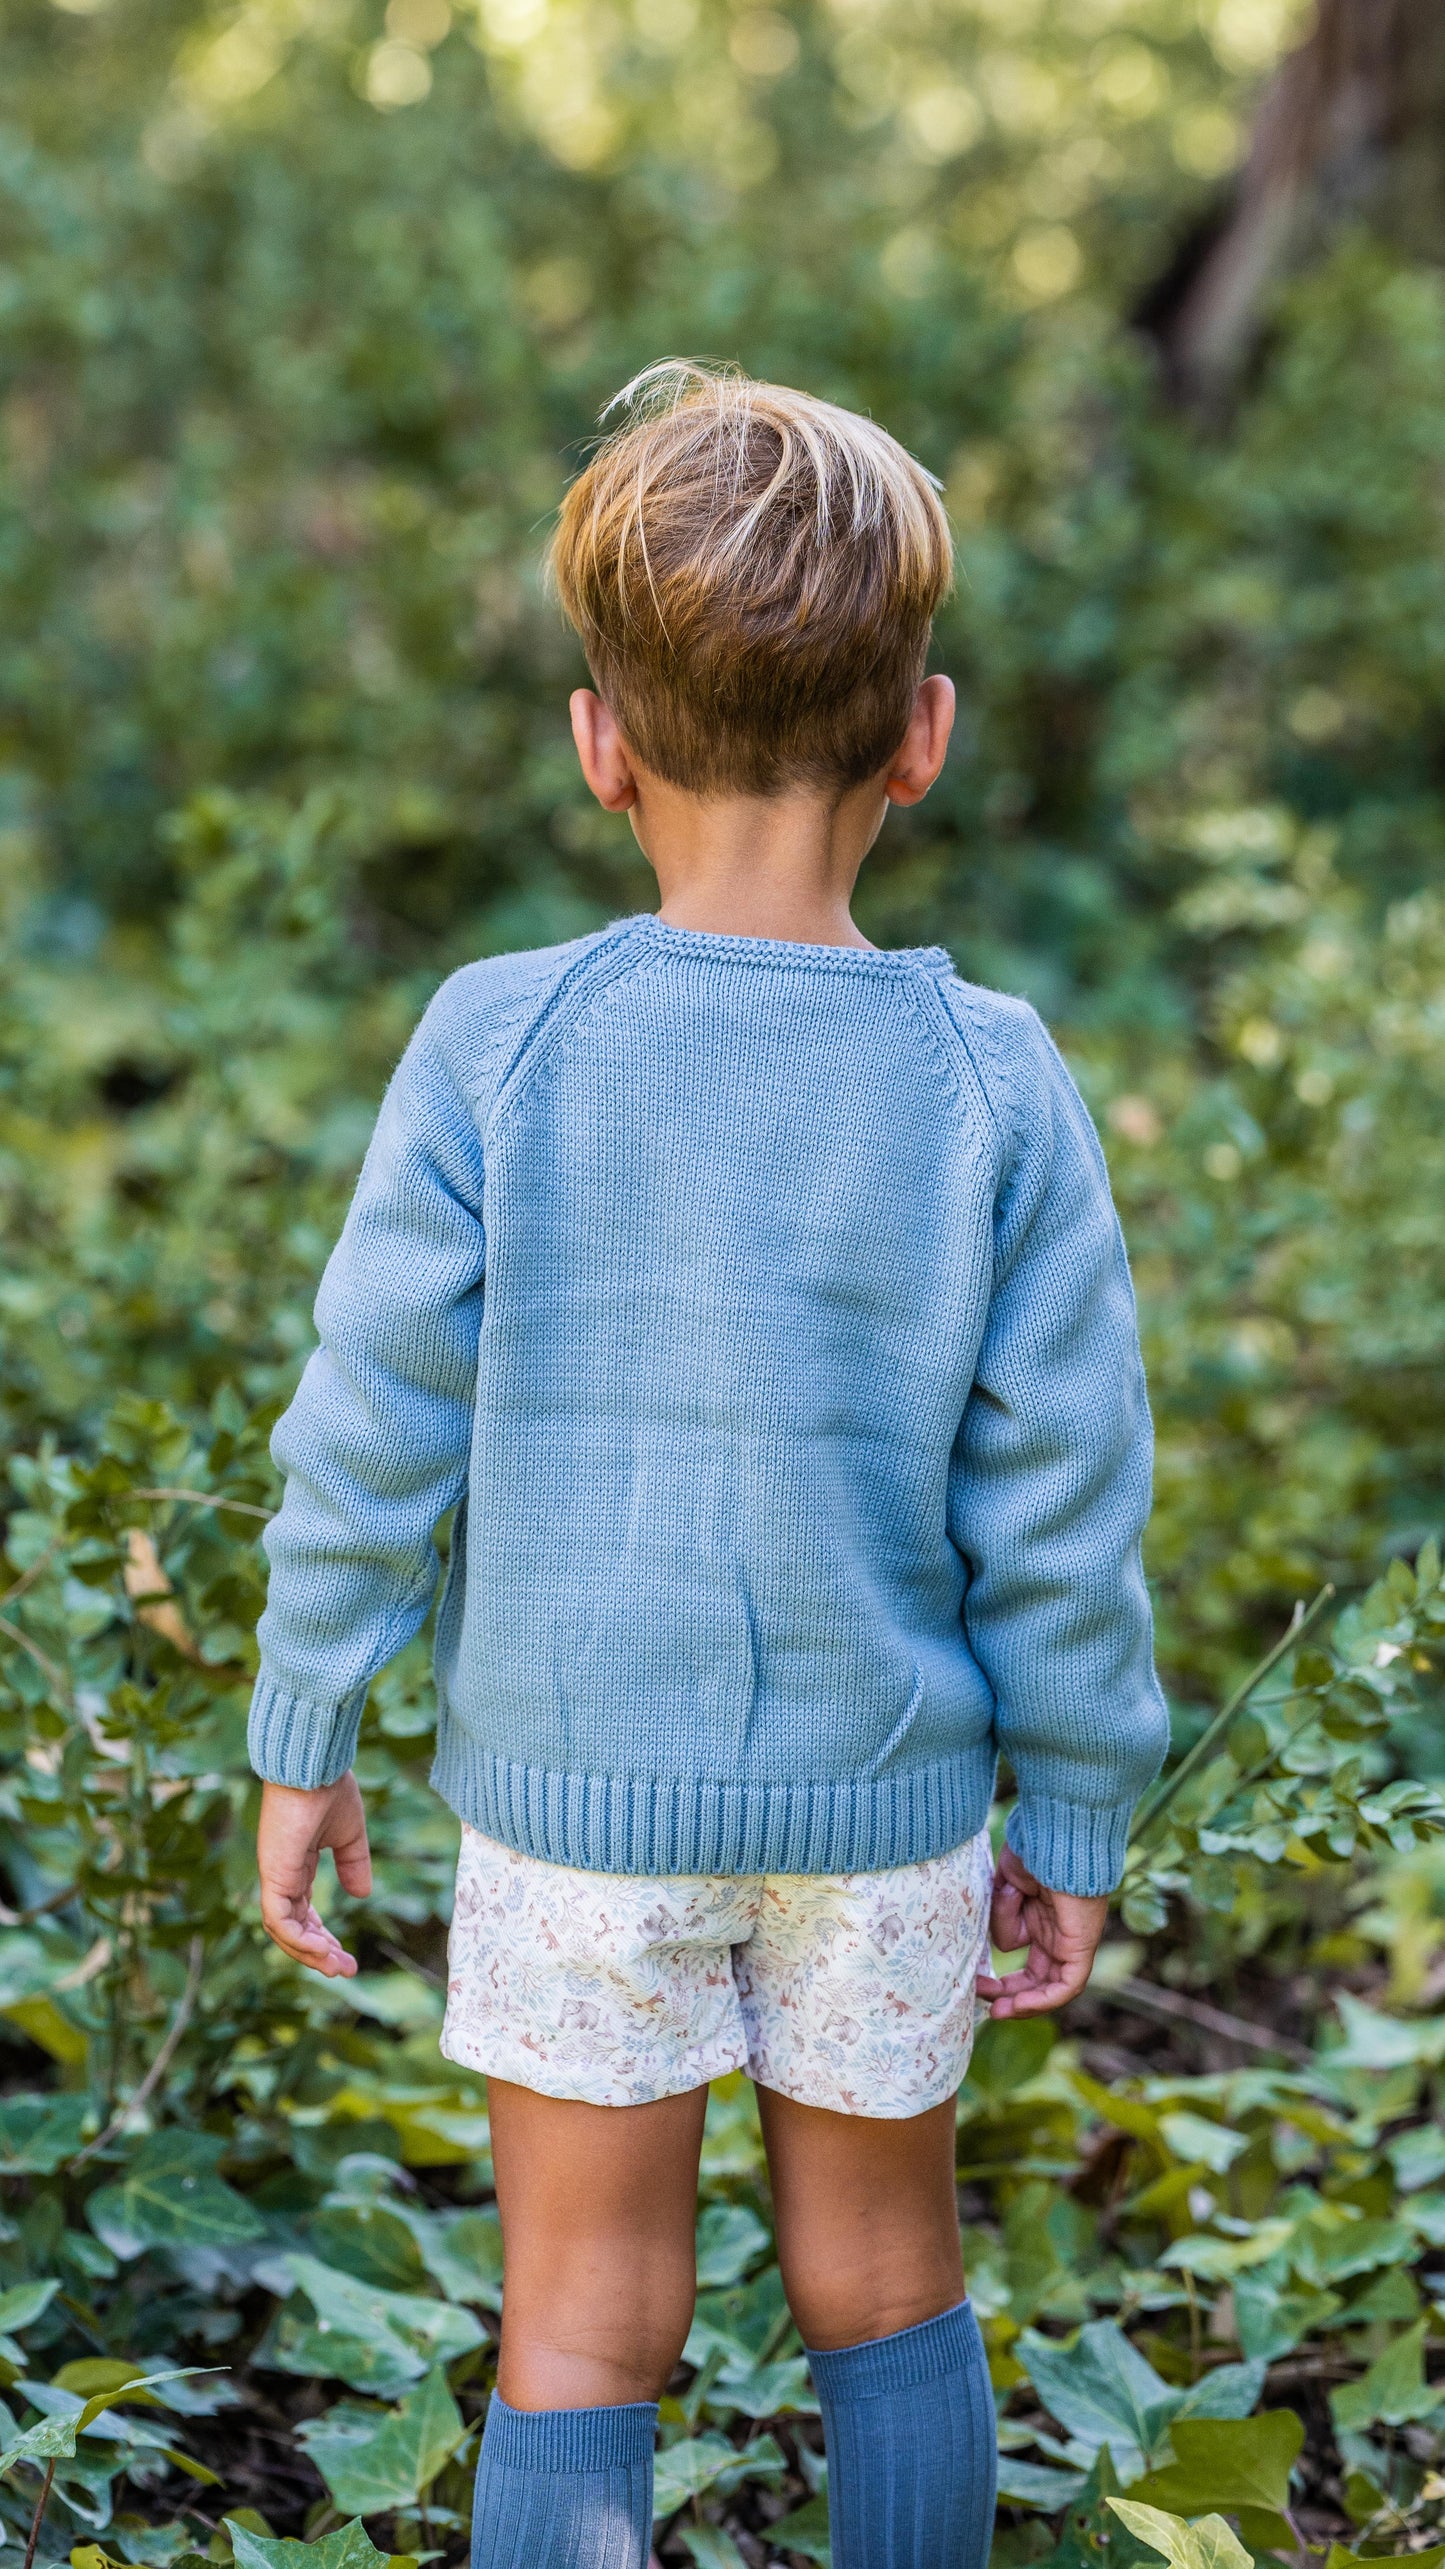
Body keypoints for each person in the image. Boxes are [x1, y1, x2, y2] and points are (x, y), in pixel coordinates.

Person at [249, 362, 1170, 2569]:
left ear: (599, 744)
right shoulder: (991, 1078)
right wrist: (1072, 1802)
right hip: (887, 1809)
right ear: (921, 738)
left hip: (572, 1813)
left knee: (581, 2313)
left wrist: (308, 1713)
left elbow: (373, 1406)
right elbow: (1064, 1490)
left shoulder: (502, 1038)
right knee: (886, 2283)